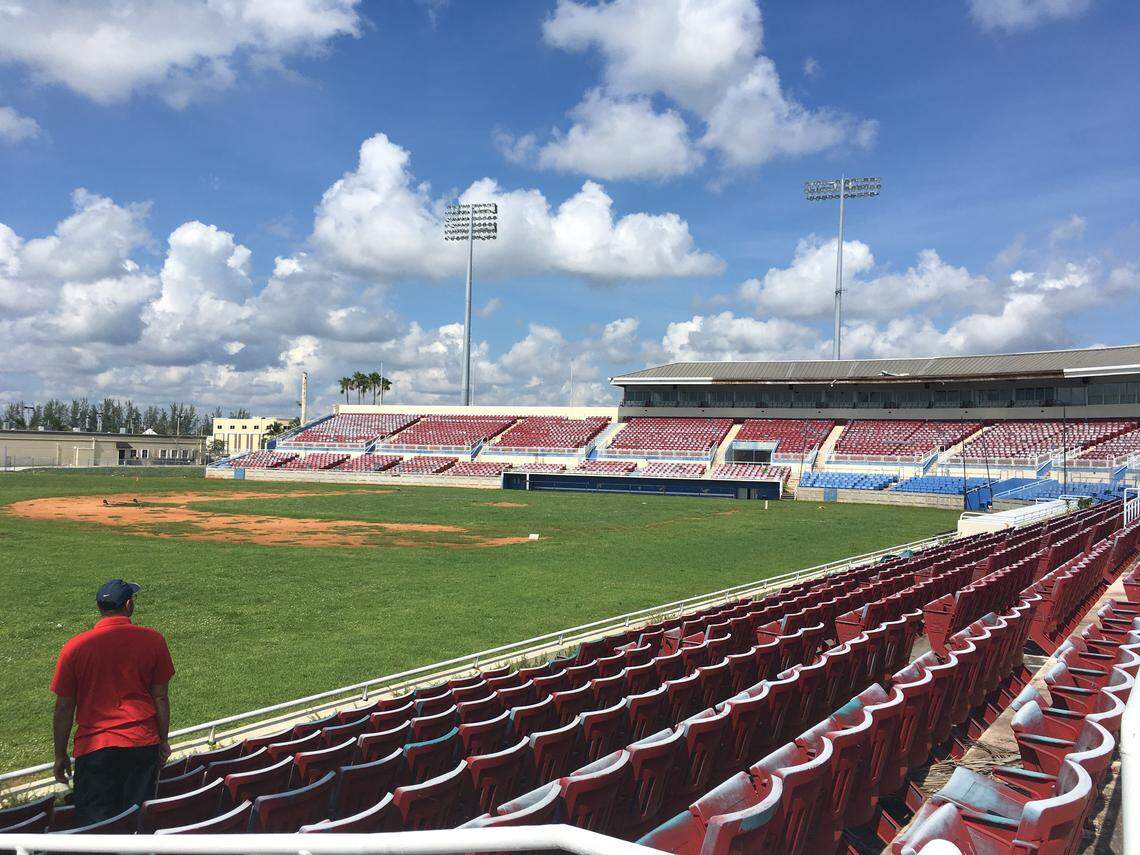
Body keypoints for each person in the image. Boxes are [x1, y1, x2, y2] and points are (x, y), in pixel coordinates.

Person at [51, 580, 175, 826]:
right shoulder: (153, 640)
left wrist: (59, 755)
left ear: (100, 607)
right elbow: (160, 697)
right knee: (136, 824)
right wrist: (163, 740)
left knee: (96, 829)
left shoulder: (75, 647)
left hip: (94, 750)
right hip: (142, 744)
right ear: (128, 605)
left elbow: (64, 707)